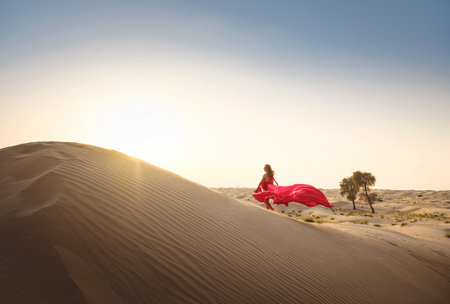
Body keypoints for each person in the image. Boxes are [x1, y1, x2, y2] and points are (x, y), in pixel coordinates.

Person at [253, 164, 334, 210]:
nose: (263, 169)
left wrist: (257, 189)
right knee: (266, 201)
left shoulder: (265, 175)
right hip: (271, 188)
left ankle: (270, 212)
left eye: (264, 168)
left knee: (265, 200)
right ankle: (270, 211)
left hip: (267, 188)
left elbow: (261, 182)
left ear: (266, 169)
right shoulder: (271, 175)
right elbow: (272, 183)